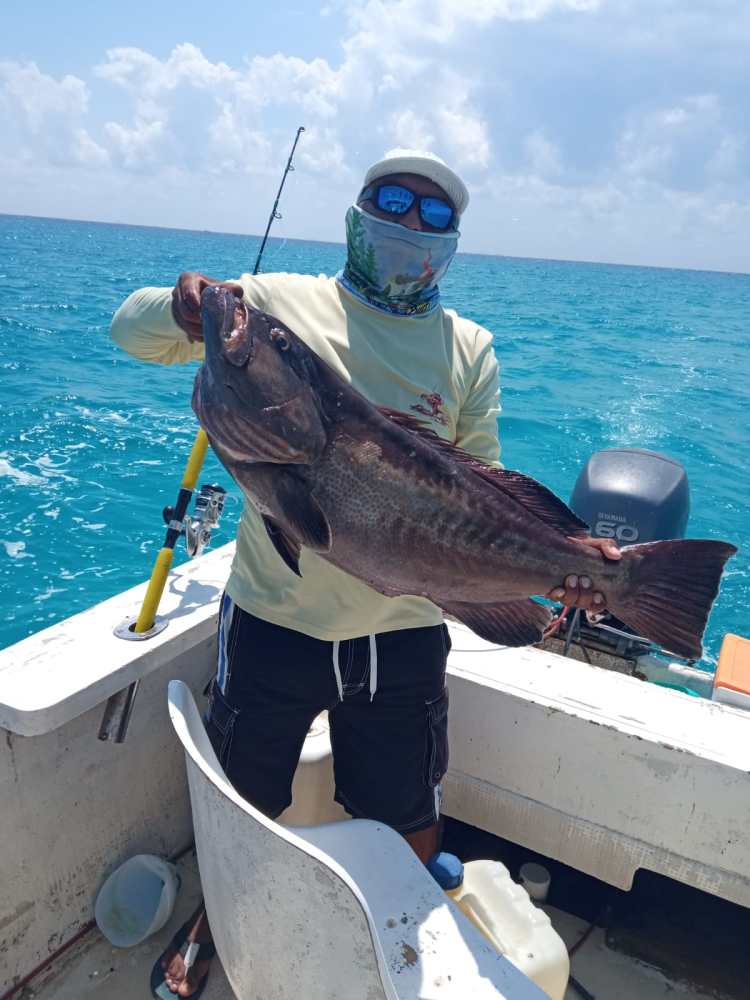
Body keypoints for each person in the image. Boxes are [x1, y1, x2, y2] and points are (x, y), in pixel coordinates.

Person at [110, 149, 620, 998]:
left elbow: (485, 483)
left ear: (452, 240)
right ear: (357, 213)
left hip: (405, 630)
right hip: (274, 618)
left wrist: (560, 560)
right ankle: (213, 919)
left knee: (407, 807)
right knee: (243, 794)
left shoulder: (469, 348)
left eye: (434, 213)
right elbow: (129, 332)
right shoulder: (275, 305)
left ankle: (407, 929)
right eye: (392, 200)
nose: (411, 222)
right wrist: (182, 300)